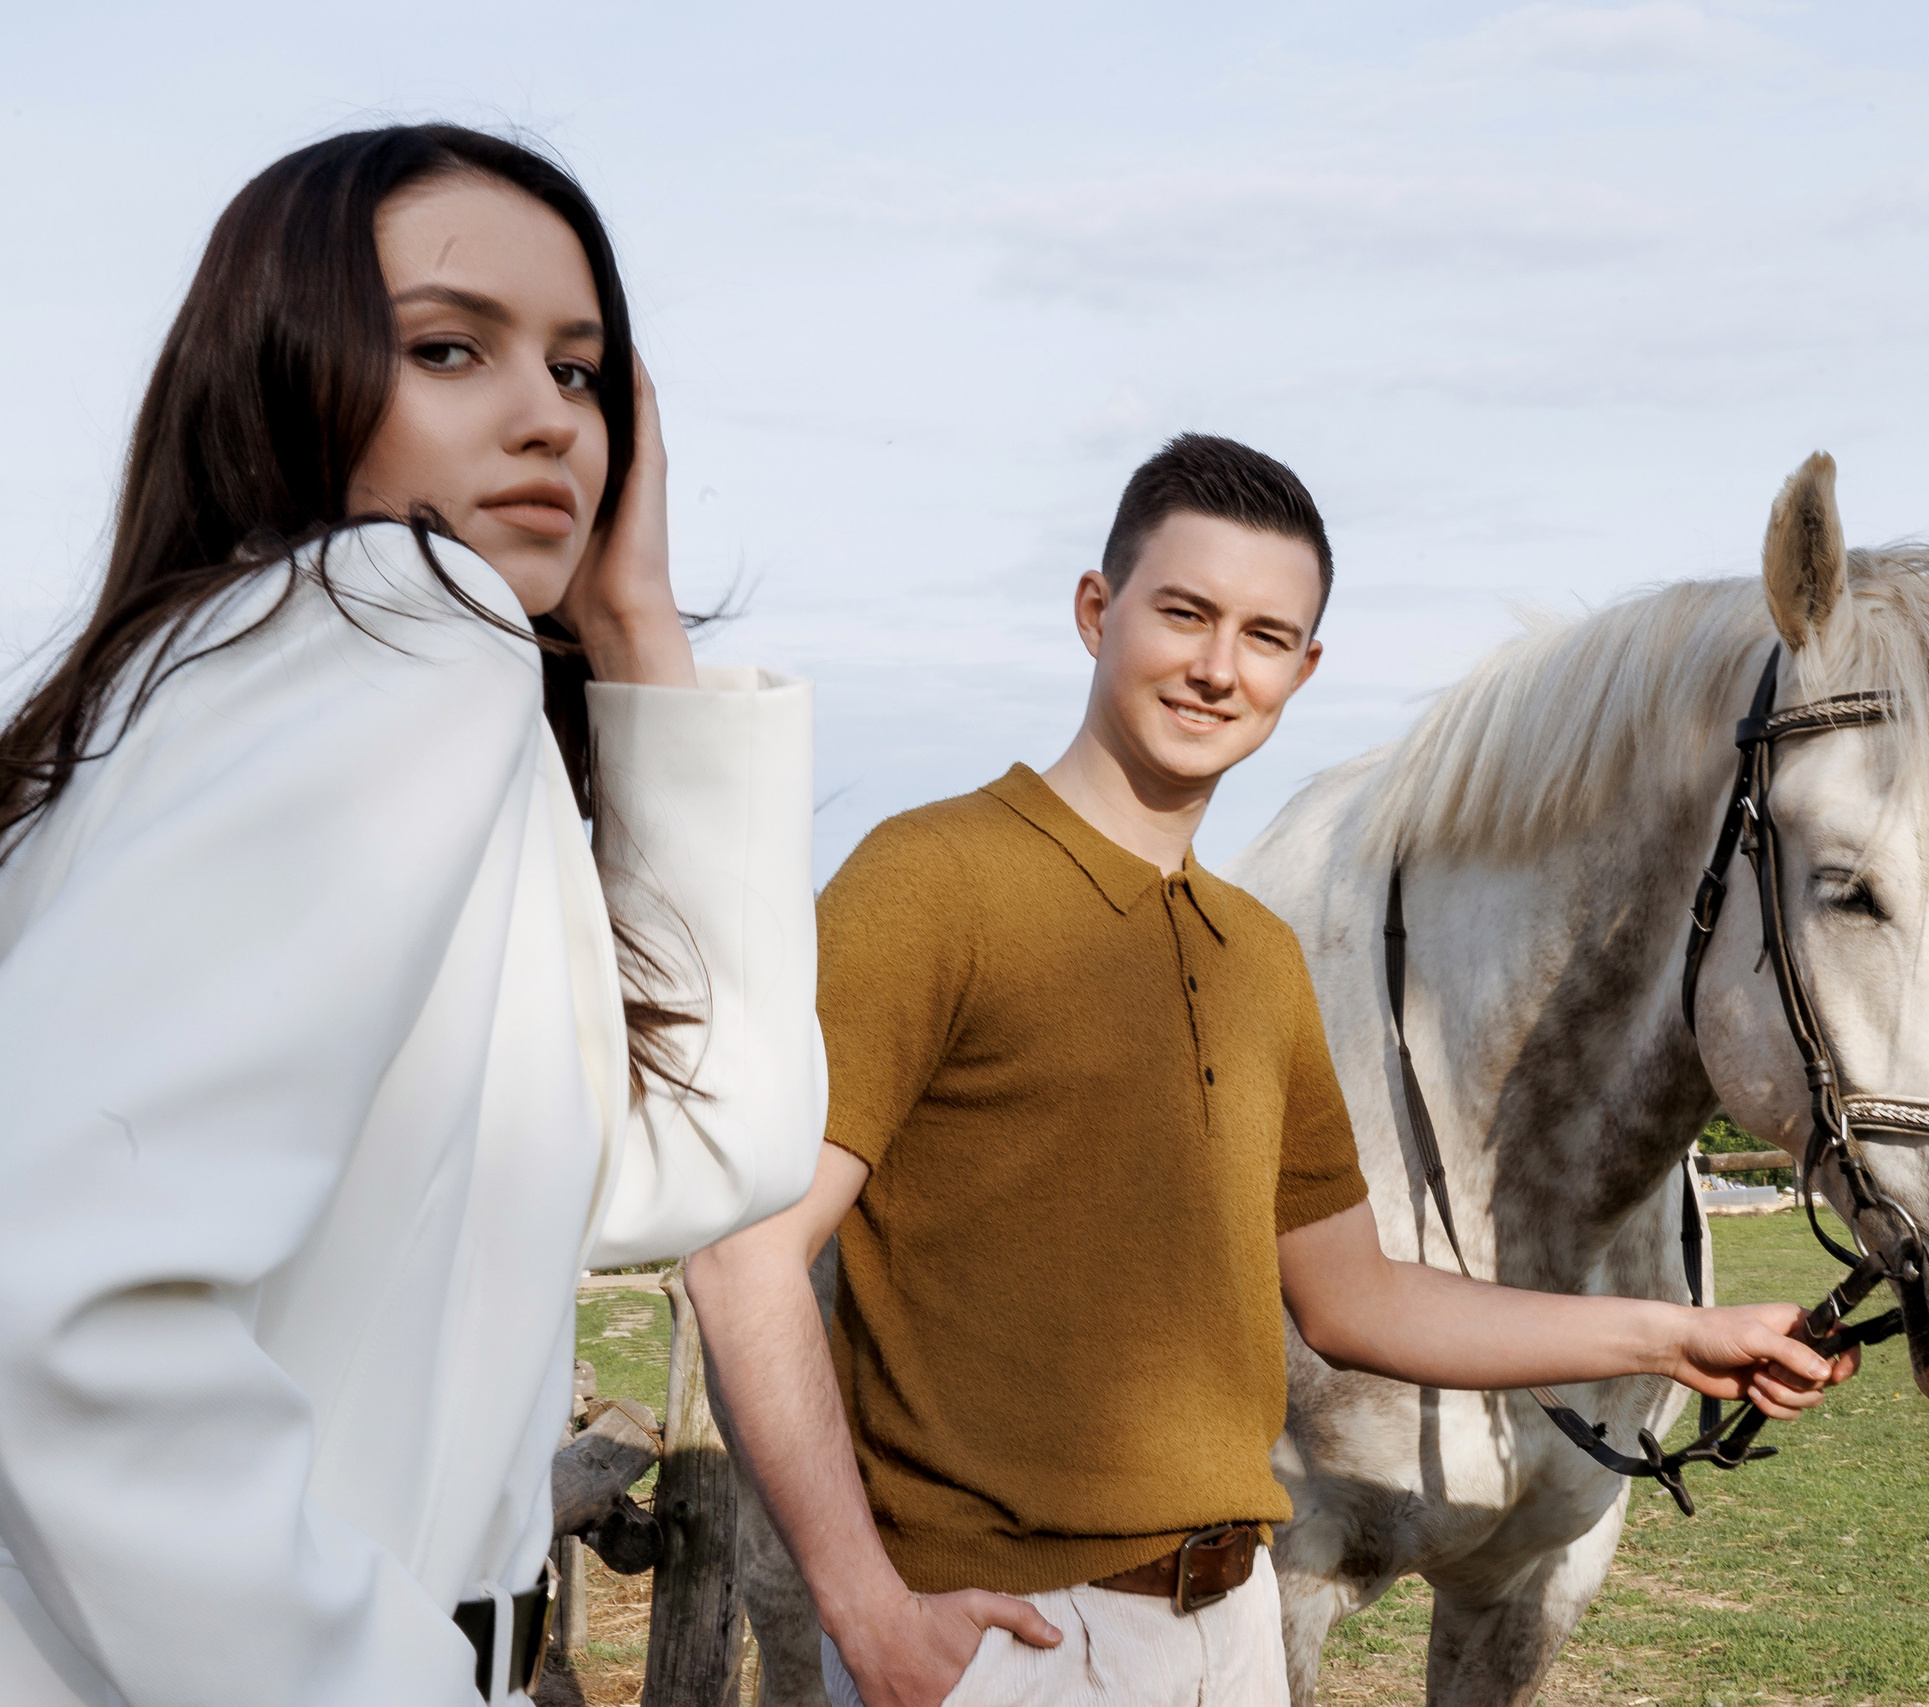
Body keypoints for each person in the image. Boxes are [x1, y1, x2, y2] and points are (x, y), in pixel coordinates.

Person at [0, 126, 823, 1706]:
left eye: (581, 371)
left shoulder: (200, 680)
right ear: (285, 373)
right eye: (449, 347)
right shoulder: (404, 633)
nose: (546, 419)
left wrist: (634, 618)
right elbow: (35, 1280)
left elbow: (696, 1150)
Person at [686, 434, 1855, 1707]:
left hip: (1227, 1627)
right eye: (1181, 613)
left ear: (1303, 669)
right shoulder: (930, 878)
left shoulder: (1257, 955)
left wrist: (1677, 1332)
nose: (1213, 668)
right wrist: (865, 1610)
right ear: (1096, 611)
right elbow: (745, 1254)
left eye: (1261, 636)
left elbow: (1356, 1302)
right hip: (998, 1642)